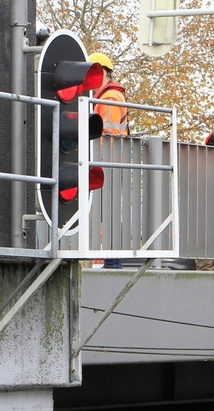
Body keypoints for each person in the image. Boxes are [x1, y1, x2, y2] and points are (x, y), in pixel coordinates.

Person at [88, 52, 127, 269]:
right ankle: (109, 261)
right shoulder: (106, 96)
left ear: (100, 72)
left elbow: (109, 133)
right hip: (109, 161)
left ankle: (111, 262)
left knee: (108, 211)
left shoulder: (109, 98)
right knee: (107, 211)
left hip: (109, 161)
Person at [87, 52, 128, 136]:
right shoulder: (104, 97)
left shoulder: (109, 98)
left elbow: (109, 137)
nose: (86, 76)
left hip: (106, 148)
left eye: (89, 72)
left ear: (102, 72)